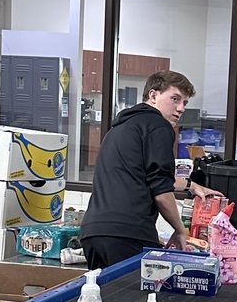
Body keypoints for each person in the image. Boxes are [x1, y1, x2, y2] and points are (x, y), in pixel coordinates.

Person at [80, 70, 220, 270]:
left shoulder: (121, 127)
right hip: (127, 234)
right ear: (153, 95)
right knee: (140, 301)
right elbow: (161, 192)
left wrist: (191, 185)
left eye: (185, 103)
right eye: (175, 99)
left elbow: (145, 175)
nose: (180, 108)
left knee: (104, 299)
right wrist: (181, 230)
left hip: (93, 233)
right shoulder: (158, 126)